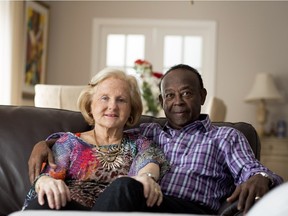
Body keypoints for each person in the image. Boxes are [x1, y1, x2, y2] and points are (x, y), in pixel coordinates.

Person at [28, 64, 283, 215]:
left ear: (202, 96)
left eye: (186, 93)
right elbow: (103, 133)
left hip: (190, 209)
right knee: (51, 200)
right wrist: (45, 144)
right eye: (170, 95)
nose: (178, 101)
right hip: (144, 206)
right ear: (161, 102)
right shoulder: (148, 132)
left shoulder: (225, 136)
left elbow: (257, 172)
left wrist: (262, 178)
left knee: (125, 186)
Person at [23, 68, 169, 211]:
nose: (112, 106)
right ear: (90, 106)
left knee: (123, 186)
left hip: (116, 210)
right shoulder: (69, 143)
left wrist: (147, 177)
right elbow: (49, 179)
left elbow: (149, 164)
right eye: (104, 98)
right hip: (71, 211)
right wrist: (45, 181)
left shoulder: (139, 143)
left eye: (121, 100)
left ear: (131, 109)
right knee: (46, 200)